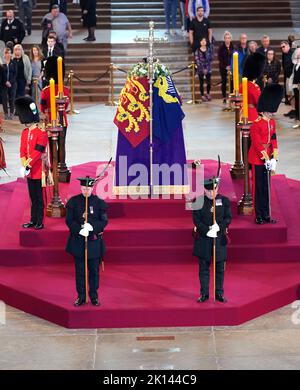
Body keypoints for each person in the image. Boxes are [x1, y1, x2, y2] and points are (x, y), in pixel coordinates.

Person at [65, 176, 108, 307]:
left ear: (92, 188)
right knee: (80, 271)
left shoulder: (99, 203)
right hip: (78, 242)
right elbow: (69, 220)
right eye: (84, 188)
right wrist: (79, 230)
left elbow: (104, 221)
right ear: (81, 188)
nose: (86, 191)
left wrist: (92, 228)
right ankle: (81, 296)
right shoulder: (73, 202)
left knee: (94, 271)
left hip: (94, 243)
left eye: (88, 188)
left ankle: (94, 296)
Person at [192, 166, 232, 303]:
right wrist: (207, 230)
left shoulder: (224, 201)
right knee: (204, 268)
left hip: (219, 239)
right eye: (209, 191)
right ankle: (204, 294)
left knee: (220, 268)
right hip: (204, 239)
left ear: (217, 189)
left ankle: (219, 293)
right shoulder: (197, 201)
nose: (211, 193)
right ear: (204, 190)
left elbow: (228, 218)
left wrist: (219, 228)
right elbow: (196, 220)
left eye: (214, 190)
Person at [248, 84, 283, 224]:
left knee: (267, 187)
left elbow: (273, 139)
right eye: (269, 112)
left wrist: (275, 157)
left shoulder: (272, 122)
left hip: (268, 158)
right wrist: (266, 158)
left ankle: (267, 214)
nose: (272, 113)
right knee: (258, 188)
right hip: (257, 159)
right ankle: (259, 215)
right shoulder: (256, 124)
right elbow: (256, 144)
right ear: (263, 111)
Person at [18, 96, 48, 230]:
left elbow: (38, 151)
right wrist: (24, 164)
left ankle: (39, 221)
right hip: (29, 171)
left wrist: (29, 164)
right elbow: (22, 150)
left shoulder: (41, 133)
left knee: (39, 198)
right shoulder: (25, 133)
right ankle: (33, 219)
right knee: (32, 197)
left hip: (37, 170)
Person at [239, 52, 265, 122]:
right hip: (253, 116)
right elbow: (259, 103)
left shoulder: (242, 85)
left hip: (241, 114)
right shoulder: (254, 87)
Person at [194, 37, 213, 101]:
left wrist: (207, 69)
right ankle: (202, 95)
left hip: (208, 69)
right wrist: (202, 69)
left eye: (204, 40)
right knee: (201, 83)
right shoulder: (197, 51)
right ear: (200, 42)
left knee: (208, 82)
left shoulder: (209, 49)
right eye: (202, 41)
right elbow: (197, 60)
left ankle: (208, 93)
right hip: (200, 69)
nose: (203, 42)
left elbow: (210, 60)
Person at [218, 31, 234, 104]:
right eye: (226, 38)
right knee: (224, 82)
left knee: (232, 82)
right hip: (223, 67)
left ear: (230, 39)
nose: (227, 39)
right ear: (224, 39)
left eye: (228, 38)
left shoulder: (233, 47)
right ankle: (224, 97)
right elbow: (220, 58)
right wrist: (226, 66)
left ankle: (231, 96)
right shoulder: (221, 47)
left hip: (232, 67)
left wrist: (231, 66)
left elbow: (235, 57)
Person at [1, 48, 17, 120]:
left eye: (9, 53)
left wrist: (10, 81)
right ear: (4, 54)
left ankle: (11, 113)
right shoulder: (1, 63)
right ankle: (6, 113)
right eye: (6, 53)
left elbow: (15, 74)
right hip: (3, 84)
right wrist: (5, 82)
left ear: (11, 54)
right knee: (4, 99)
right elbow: (1, 74)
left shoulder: (13, 62)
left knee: (12, 98)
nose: (8, 55)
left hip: (12, 83)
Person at [281, 40, 295, 111]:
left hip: (293, 77)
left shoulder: (293, 53)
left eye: (283, 46)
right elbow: (284, 65)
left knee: (293, 94)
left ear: (288, 46)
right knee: (289, 94)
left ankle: (296, 110)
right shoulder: (284, 54)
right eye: (281, 47)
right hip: (287, 77)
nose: (282, 48)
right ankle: (292, 109)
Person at [291, 48, 300, 128]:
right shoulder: (295, 65)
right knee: (297, 102)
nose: (298, 55)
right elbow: (293, 75)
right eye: (297, 53)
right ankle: (298, 119)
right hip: (296, 86)